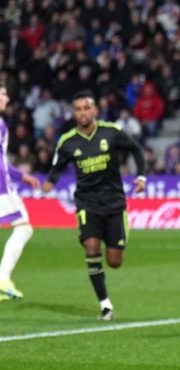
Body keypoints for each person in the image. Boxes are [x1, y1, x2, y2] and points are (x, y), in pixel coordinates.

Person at [41, 91, 146, 321]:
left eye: (86, 108)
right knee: (91, 248)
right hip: (87, 203)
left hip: (114, 202)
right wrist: (49, 182)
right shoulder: (68, 141)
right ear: (74, 113)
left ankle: (119, 236)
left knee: (114, 261)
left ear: (95, 110)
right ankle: (105, 305)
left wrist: (141, 177)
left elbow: (136, 150)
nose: (82, 113)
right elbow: (58, 165)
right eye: (78, 109)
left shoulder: (111, 132)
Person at [0, 83, 40, 301]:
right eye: (3, 94)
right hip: (1, 188)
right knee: (24, 229)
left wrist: (21, 176)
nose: (7, 98)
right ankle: (3, 280)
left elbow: (2, 161)